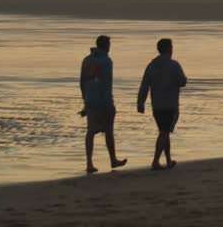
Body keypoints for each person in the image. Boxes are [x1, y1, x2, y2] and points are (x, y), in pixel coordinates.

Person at [137, 37, 188, 170]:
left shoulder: (151, 65)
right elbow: (182, 82)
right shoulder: (174, 65)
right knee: (164, 132)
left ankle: (168, 160)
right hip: (170, 104)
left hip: (156, 105)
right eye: (171, 47)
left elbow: (144, 85)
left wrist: (140, 102)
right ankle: (155, 161)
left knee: (164, 131)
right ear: (168, 49)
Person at [79, 34, 127, 173]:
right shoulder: (106, 61)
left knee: (91, 131)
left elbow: (82, 82)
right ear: (105, 46)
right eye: (109, 44)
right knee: (109, 131)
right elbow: (107, 84)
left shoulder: (86, 60)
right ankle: (112, 159)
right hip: (104, 101)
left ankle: (89, 163)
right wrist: (109, 102)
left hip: (90, 101)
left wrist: (85, 101)